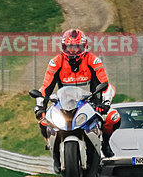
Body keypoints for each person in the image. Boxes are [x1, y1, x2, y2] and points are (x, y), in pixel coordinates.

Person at [34, 29, 120, 157]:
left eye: (76, 47)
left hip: (90, 102)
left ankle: (105, 143)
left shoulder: (93, 60)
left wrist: (105, 103)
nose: (72, 51)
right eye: (69, 47)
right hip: (64, 104)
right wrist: (40, 106)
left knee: (113, 117)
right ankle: (52, 147)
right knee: (43, 121)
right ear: (63, 47)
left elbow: (105, 84)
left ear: (84, 46)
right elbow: (46, 87)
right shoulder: (56, 62)